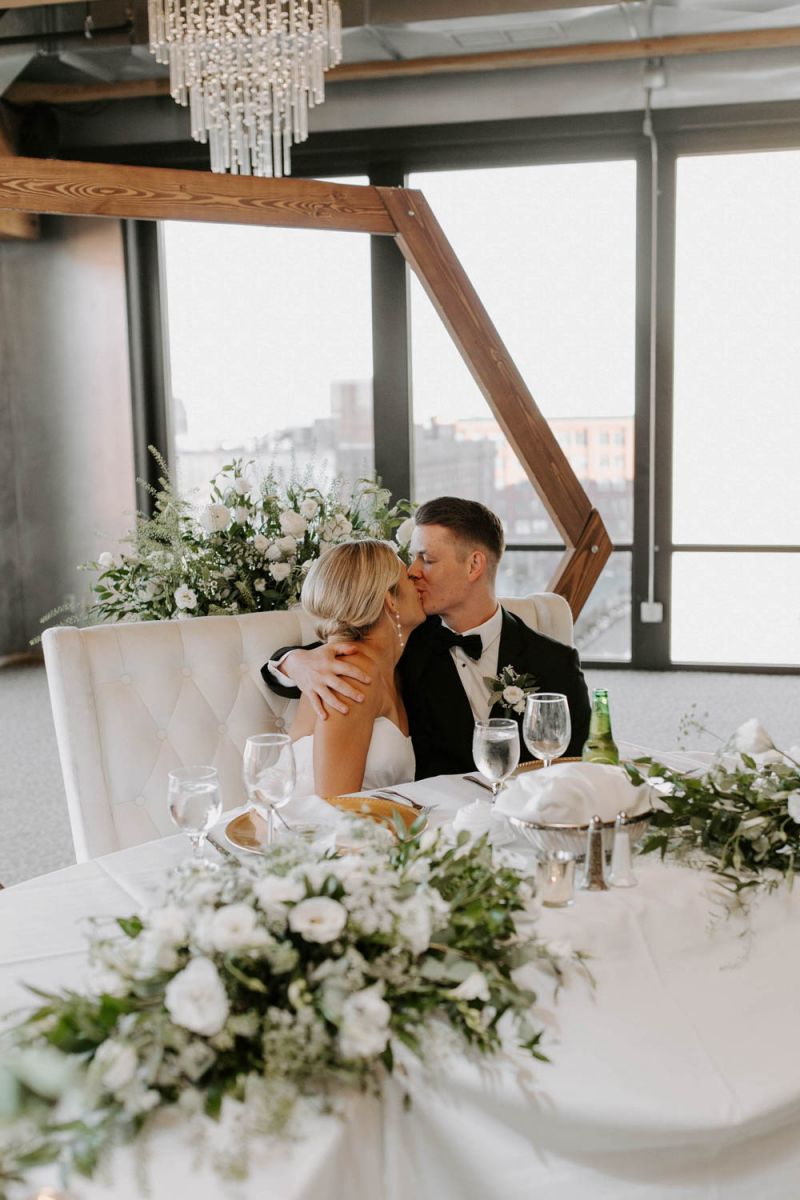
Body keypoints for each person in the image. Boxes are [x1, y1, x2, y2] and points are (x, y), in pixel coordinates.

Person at [264, 496, 591, 780]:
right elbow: (311, 665)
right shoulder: (402, 639)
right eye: (413, 558)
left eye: (427, 559)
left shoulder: (555, 662)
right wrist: (296, 662)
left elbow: (575, 769)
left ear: (474, 565)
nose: (413, 571)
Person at [289, 538, 424, 797]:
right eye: (408, 578)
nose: (416, 578)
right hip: (310, 820)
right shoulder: (350, 674)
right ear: (390, 600)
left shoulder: (389, 668)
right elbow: (334, 804)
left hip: (374, 817)